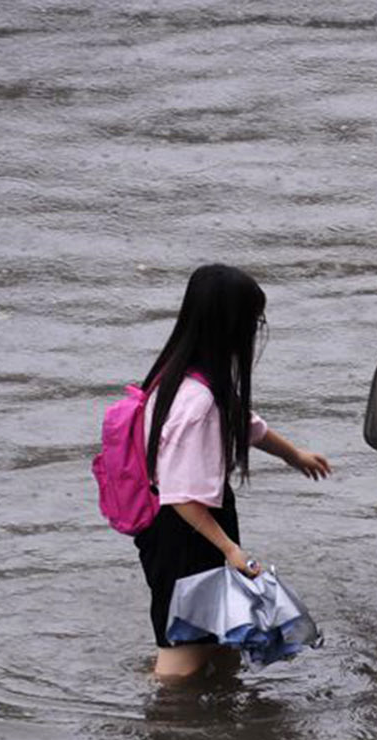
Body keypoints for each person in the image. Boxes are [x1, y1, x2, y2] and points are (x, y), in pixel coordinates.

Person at [135, 263, 331, 680]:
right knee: (181, 658)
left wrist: (292, 454)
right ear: (232, 326)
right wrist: (229, 549)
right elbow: (181, 495)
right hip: (186, 535)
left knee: (218, 641)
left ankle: (218, 729)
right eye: (254, 321)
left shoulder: (179, 375)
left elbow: (243, 422)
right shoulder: (199, 402)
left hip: (179, 530)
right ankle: (165, 734)